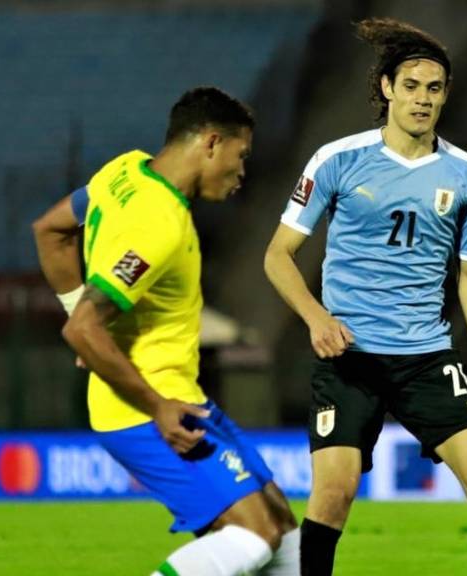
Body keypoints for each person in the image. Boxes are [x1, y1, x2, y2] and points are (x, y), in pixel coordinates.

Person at [264, 18, 467, 576]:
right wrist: (315, 317)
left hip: (427, 356)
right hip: (348, 355)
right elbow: (277, 255)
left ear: (446, 95)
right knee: (333, 495)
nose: (423, 99)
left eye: (434, 88)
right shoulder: (338, 159)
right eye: (411, 86)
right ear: (386, 88)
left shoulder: (466, 174)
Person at [32, 87, 299, 576]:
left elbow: (50, 230)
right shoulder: (159, 224)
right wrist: (154, 404)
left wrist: (86, 327)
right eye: (241, 158)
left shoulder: (124, 171)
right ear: (211, 143)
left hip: (181, 397)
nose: (242, 174)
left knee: (281, 526)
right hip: (149, 410)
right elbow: (83, 328)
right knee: (254, 534)